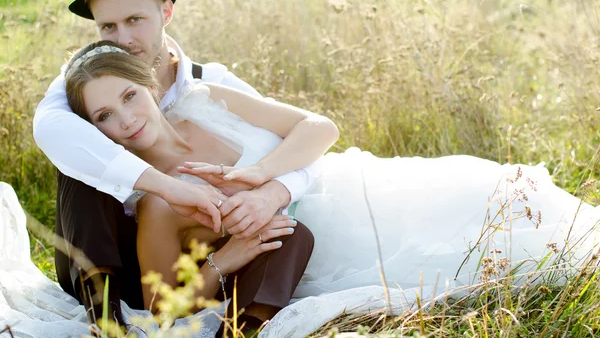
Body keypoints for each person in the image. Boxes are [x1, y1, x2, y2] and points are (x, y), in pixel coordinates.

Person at [64, 41, 600, 336]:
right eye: (106, 116)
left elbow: (320, 128)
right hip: (318, 241)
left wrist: (264, 175)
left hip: (342, 181)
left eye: (131, 96)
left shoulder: (207, 100)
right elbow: (162, 305)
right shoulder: (157, 199)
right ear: (96, 131)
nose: (126, 119)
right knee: (465, 246)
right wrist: (234, 256)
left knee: (490, 186)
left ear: (150, 84)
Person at [32, 0, 320, 330]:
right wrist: (169, 189)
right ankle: (103, 309)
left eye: (135, 20)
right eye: (108, 26)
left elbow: (305, 140)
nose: (123, 39)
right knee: (79, 160)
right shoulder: (82, 87)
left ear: (166, 12)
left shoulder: (210, 87)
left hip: (207, 249)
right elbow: (49, 129)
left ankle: (245, 325)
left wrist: (270, 190)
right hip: (129, 256)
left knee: (291, 233)